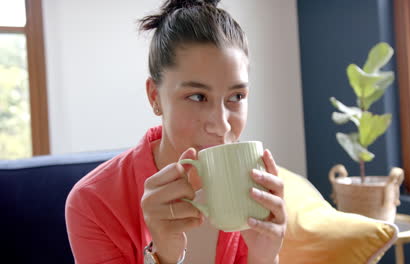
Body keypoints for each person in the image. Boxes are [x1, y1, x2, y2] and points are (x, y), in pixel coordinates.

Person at [65, 0, 287, 263]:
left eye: (236, 96)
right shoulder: (93, 203)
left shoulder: (254, 188)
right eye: (197, 97)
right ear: (154, 97)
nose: (222, 125)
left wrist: (264, 257)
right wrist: (163, 256)